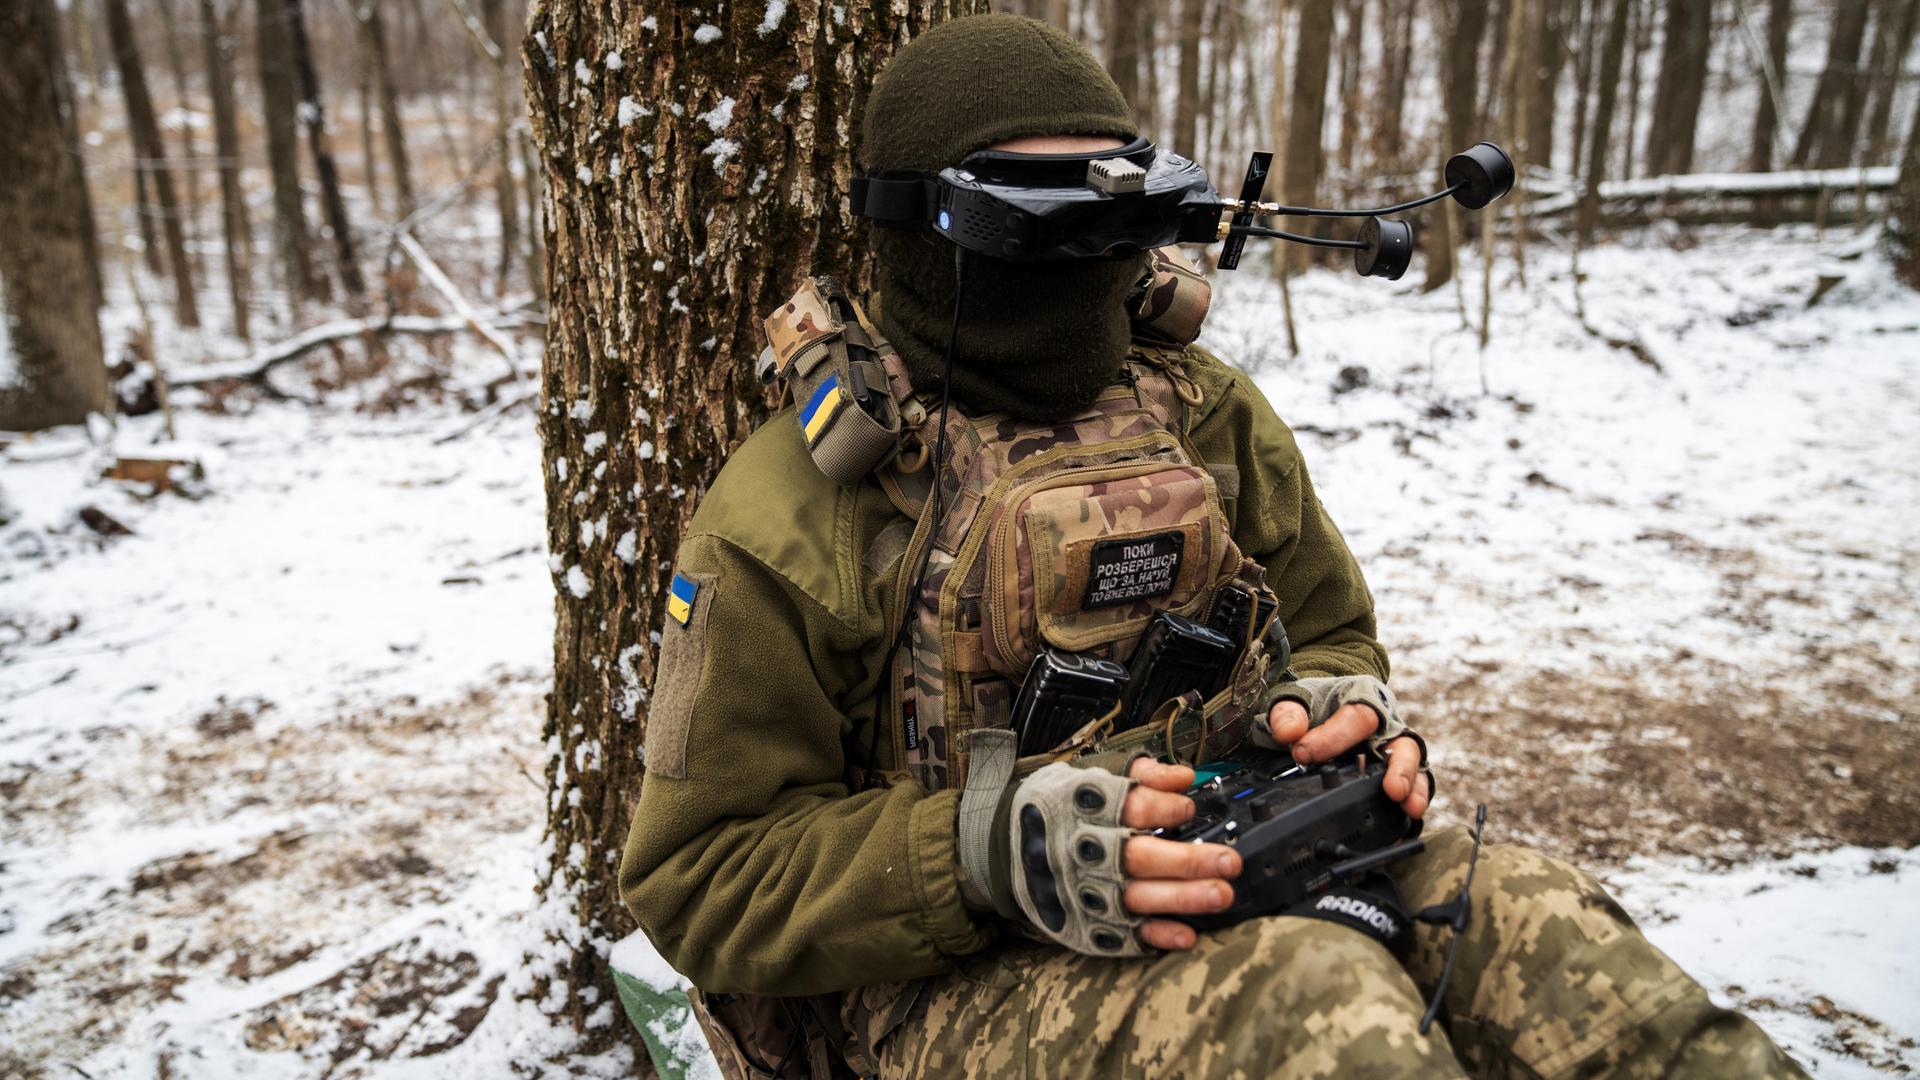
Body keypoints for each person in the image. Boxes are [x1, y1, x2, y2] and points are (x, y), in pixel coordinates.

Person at [618, 14, 1805, 1079]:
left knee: (1547, 932)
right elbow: (698, 876)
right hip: (952, 973)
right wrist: (987, 850)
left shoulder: (1200, 412)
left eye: (1116, 213)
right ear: (929, 225)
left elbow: (1330, 626)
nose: (1085, 267)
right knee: (1317, 1011)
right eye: (1041, 222)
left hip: (1252, 842)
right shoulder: (791, 510)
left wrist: (1338, 711)